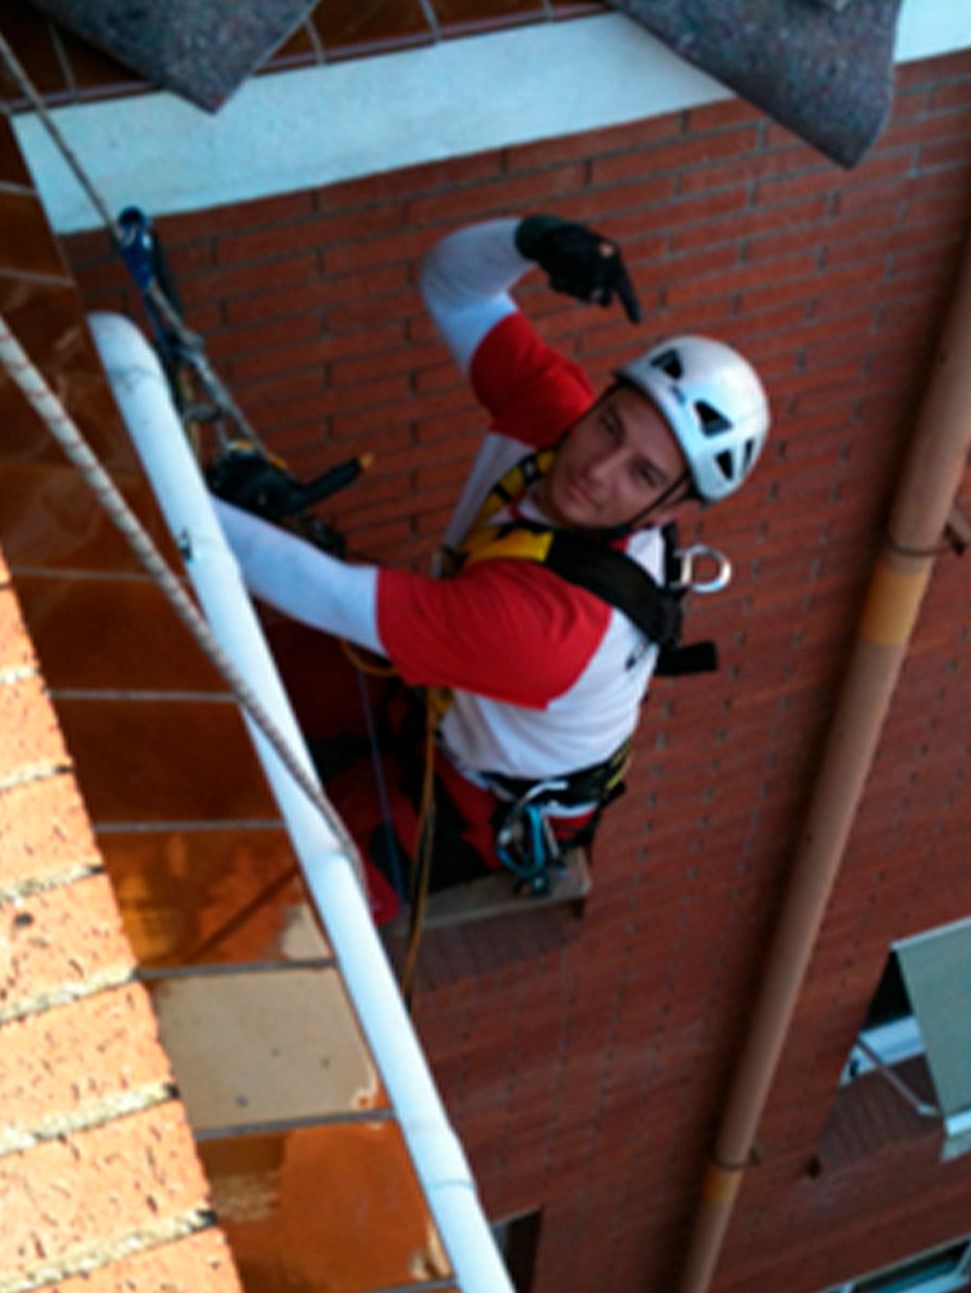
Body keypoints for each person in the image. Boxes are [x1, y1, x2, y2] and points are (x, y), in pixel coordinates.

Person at [212, 213, 769, 924]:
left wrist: (194, 505)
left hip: (472, 792)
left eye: (640, 473)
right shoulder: (551, 413)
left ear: (668, 509)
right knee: (240, 673)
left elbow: (339, 598)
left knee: (272, 901)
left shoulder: (558, 626)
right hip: (437, 692)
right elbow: (455, 289)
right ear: (597, 401)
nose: (595, 471)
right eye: (609, 426)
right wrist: (530, 240)